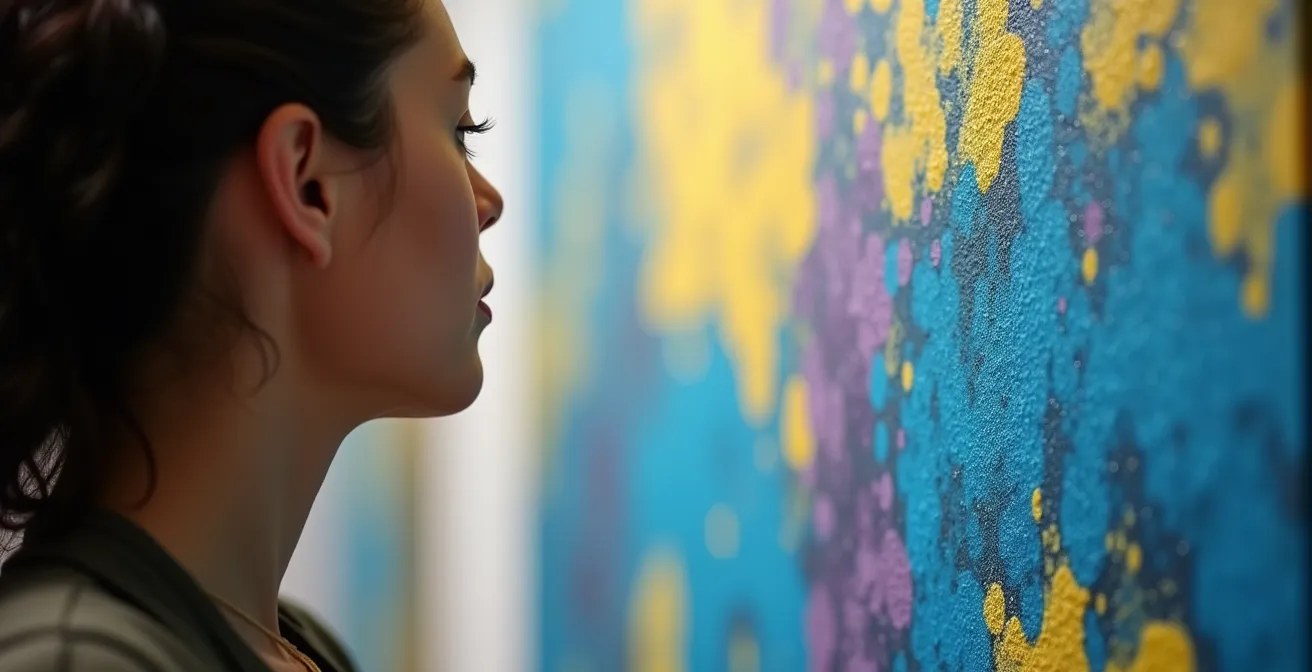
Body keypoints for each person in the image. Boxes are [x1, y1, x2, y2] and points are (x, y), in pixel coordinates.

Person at [0, 0, 503, 669]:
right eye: (460, 129)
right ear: (307, 182)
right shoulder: (75, 661)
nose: (489, 199)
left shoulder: (294, 646)